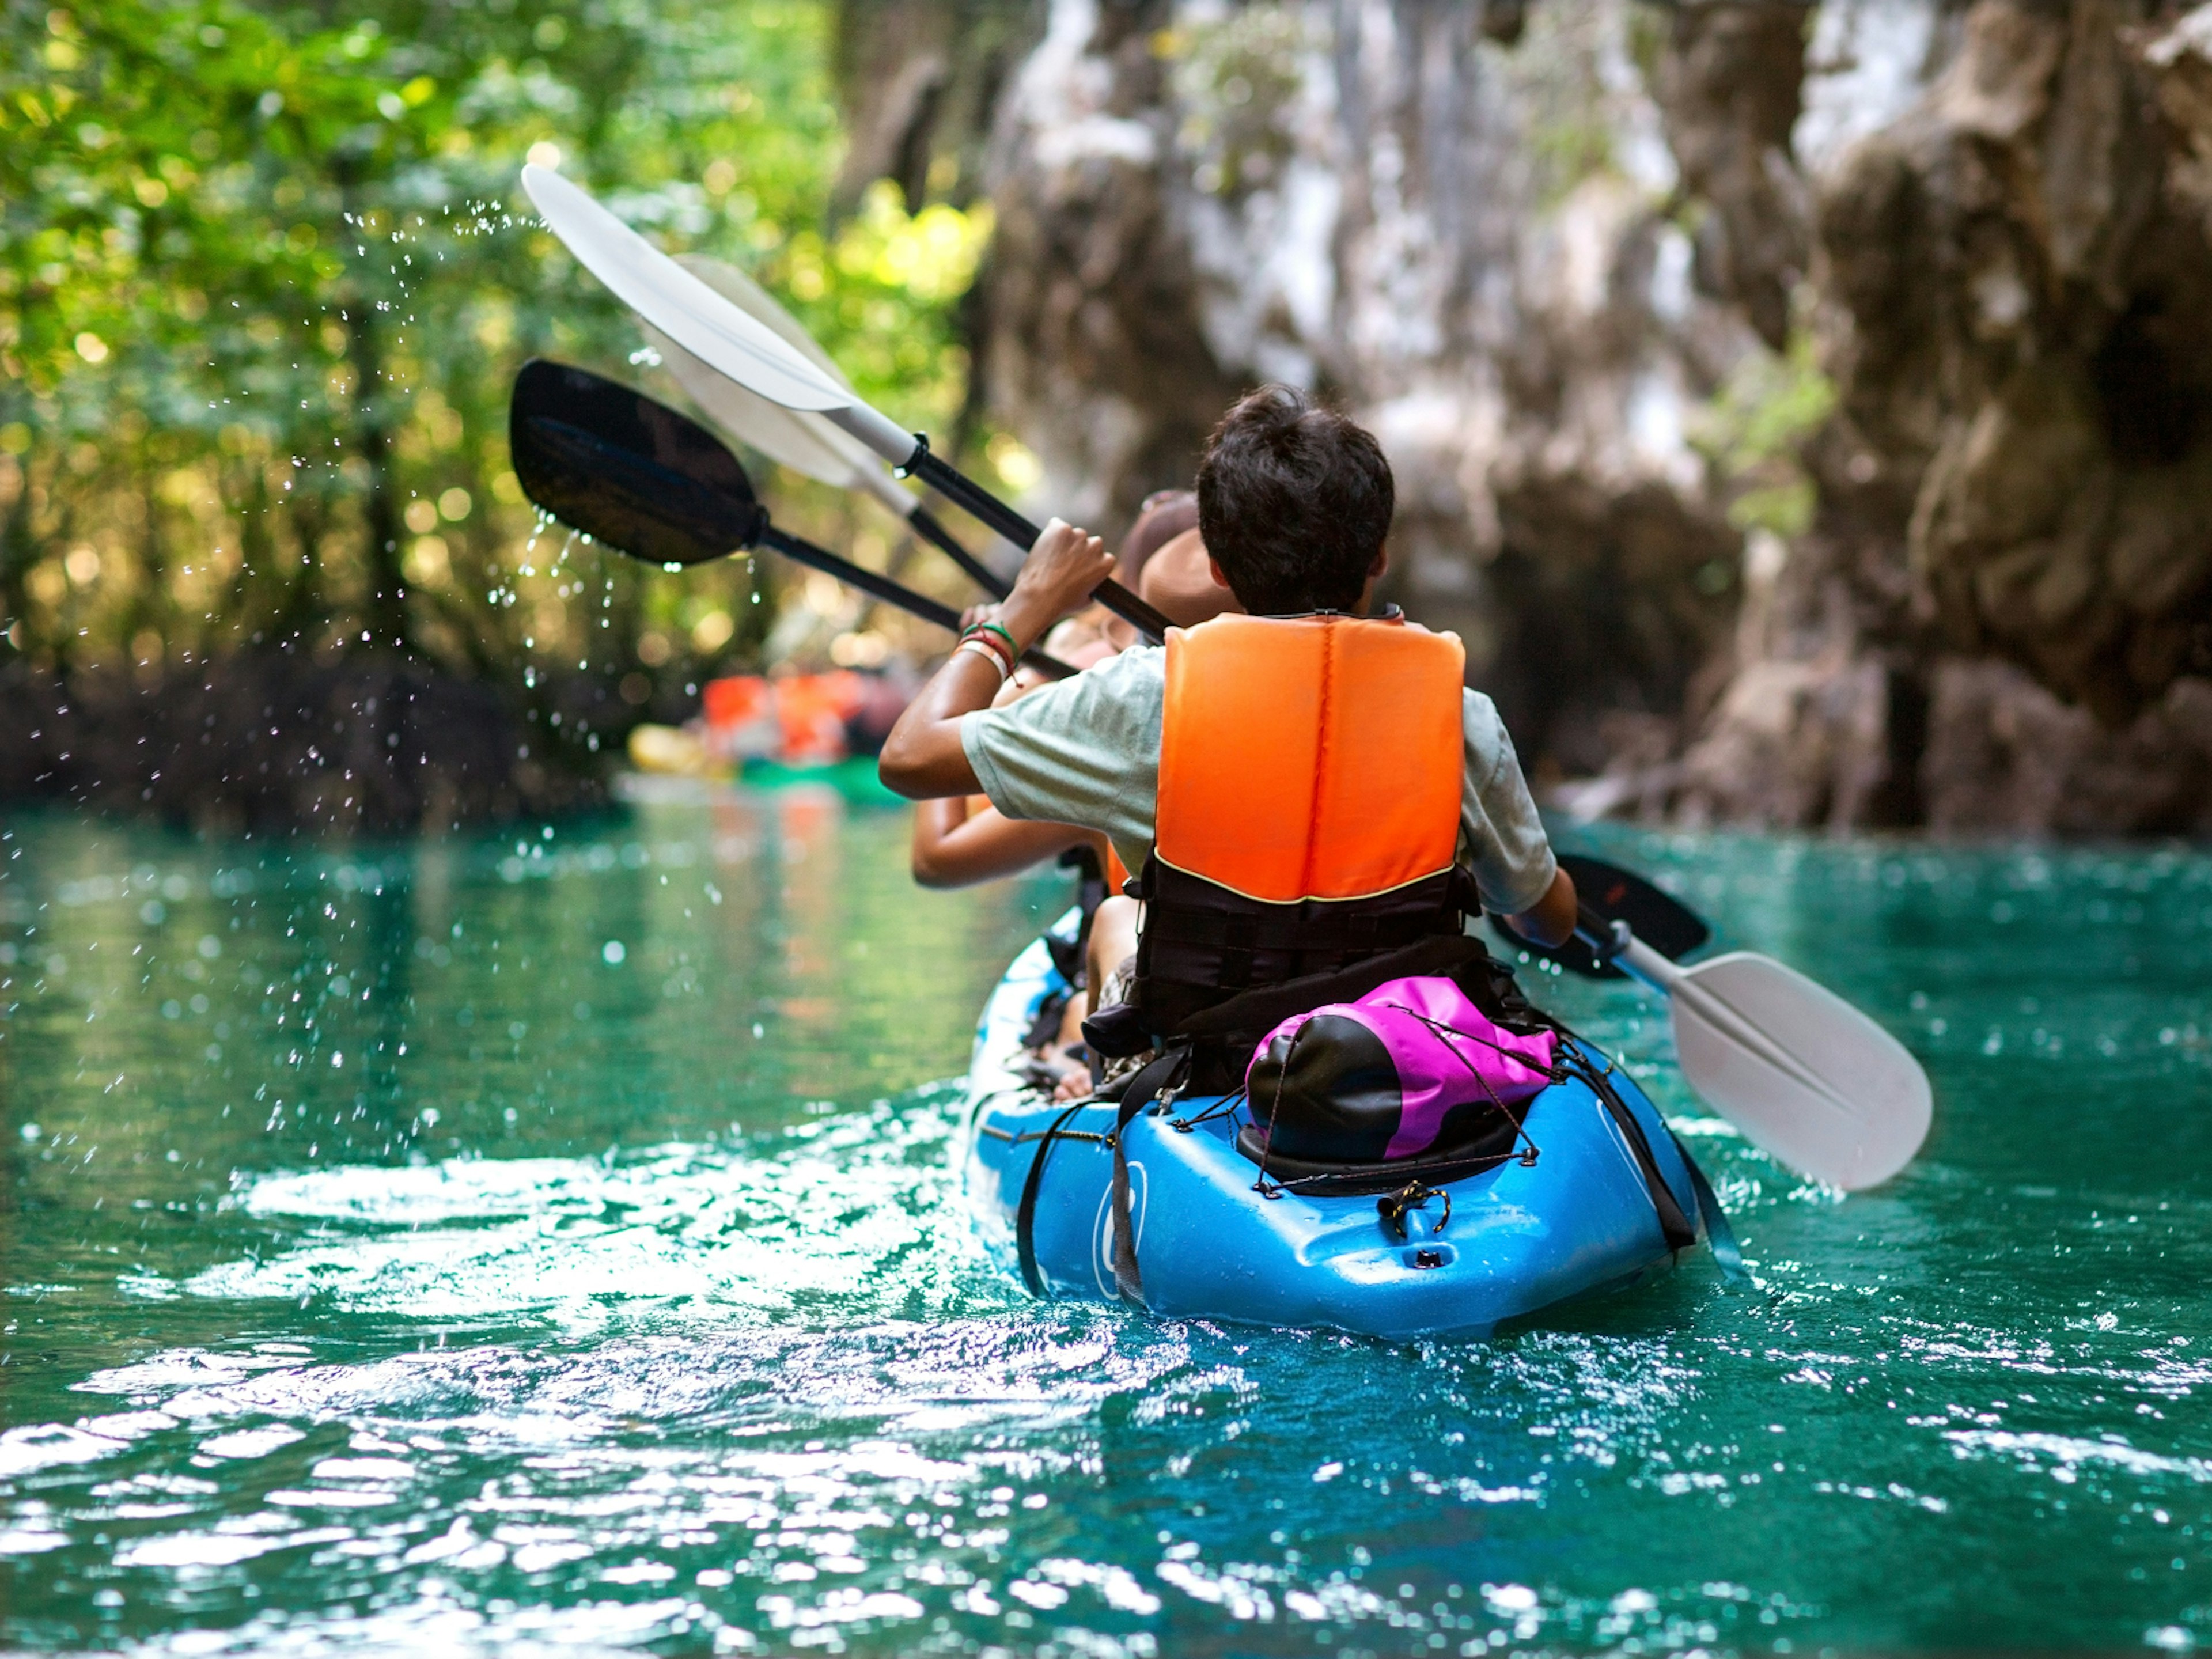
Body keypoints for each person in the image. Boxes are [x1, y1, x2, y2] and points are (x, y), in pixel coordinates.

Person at [879, 384, 1575, 1096]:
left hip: (1212, 1054)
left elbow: (908, 759)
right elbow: (1547, 923)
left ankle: (1102, 1097)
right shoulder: (1461, 714)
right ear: (1379, 558)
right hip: (1403, 1050)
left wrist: (1019, 611)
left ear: (1218, 567)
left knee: (1120, 915)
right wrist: (1542, 885)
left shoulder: (1139, 697)